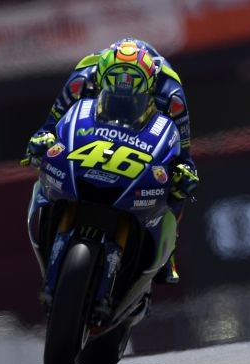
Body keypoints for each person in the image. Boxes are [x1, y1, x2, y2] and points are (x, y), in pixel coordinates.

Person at [23, 38, 199, 284]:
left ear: (150, 84)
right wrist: (41, 141)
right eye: (114, 81)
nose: (123, 91)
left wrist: (184, 174)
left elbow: (184, 154)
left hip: (142, 137)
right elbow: (51, 124)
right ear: (100, 78)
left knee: (179, 188)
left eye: (133, 84)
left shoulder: (171, 94)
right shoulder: (82, 79)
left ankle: (169, 252)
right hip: (96, 134)